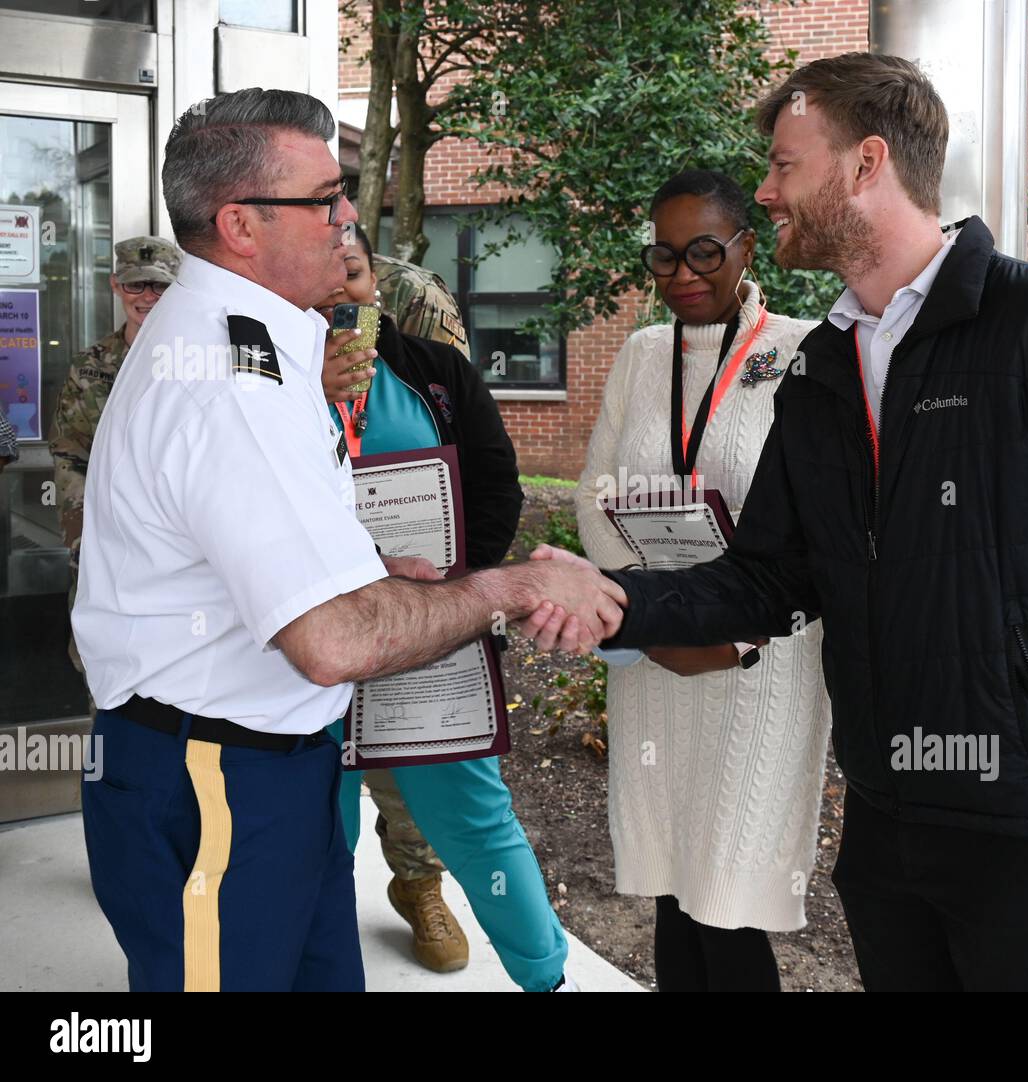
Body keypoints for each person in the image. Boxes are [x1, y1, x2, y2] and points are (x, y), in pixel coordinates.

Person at [528, 53, 1028, 992]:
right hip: (888, 835)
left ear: (867, 162)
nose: (765, 190)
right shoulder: (826, 364)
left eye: (786, 165)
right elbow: (770, 576)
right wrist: (612, 598)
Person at [72, 87, 623, 992]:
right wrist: (511, 588)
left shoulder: (260, 344)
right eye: (323, 199)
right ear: (240, 224)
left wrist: (366, 571)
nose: (345, 221)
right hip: (221, 785)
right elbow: (331, 641)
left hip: (264, 777)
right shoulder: (230, 377)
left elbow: (251, 548)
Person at [574, 169, 830, 992]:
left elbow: (816, 530)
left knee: (730, 898)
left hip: (756, 667)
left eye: (704, 252)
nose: (682, 273)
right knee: (672, 894)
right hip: (658, 657)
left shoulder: (803, 352)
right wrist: (646, 620)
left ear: (746, 248)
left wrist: (730, 638)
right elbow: (595, 496)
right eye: (663, 256)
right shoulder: (643, 356)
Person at [318, 225, 575, 991]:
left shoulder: (436, 373)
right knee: (309, 833)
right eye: (322, 276)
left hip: (431, 639)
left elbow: (497, 487)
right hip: (309, 650)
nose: (339, 294)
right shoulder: (265, 387)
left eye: (354, 274)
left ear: (378, 282)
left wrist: (455, 593)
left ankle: (544, 974)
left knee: (477, 821)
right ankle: (317, 967)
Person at [49, 236, 182, 696]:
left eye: (159, 287)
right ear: (114, 287)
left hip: (178, 551)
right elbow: (70, 455)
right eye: (135, 286)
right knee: (104, 673)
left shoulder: (200, 361)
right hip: (107, 549)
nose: (146, 298)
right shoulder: (90, 367)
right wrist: (84, 542)